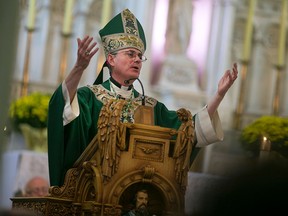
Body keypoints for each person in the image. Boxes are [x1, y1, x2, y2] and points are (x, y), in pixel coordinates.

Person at [48, 8, 238, 187]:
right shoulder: (90, 98)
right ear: (111, 59)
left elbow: (189, 132)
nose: (138, 59)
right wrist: (79, 67)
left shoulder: (151, 107)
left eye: (140, 55)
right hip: (93, 192)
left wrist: (219, 95)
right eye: (130, 54)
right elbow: (61, 110)